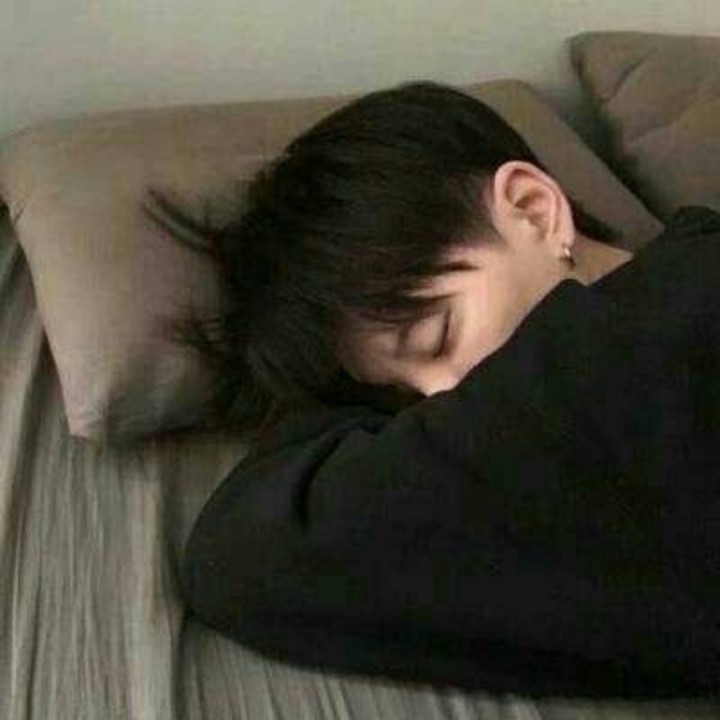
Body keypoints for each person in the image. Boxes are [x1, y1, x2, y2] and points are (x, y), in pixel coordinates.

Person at [145, 81, 720, 698]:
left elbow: (243, 558)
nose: (444, 398)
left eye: (437, 336)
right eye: (402, 397)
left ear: (532, 209)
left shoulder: (631, 340)